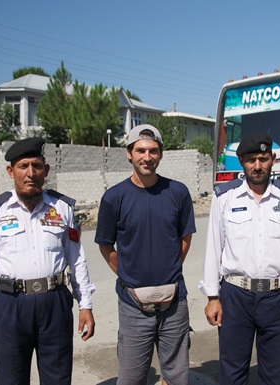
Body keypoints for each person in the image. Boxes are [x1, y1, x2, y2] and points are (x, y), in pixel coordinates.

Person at [0, 137, 96, 385]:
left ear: (46, 170)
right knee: (10, 379)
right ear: (10, 171)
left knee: (58, 378)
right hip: (10, 305)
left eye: (36, 166)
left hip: (54, 302)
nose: (30, 173)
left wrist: (85, 305)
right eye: (23, 166)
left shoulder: (62, 208)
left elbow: (77, 259)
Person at [199, 132, 280, 385]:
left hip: (278, 298)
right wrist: (212, 297)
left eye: (263, 158)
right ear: (242, 162)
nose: (258, 166)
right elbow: (214, 249)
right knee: (232, 372)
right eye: (251, 159)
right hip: (235, 297)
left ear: (272, 159)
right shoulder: (224, 198)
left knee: (274, 374)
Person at [95, 124, 196, 385]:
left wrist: (168, 269)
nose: (147, 157)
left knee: (177, 376)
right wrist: (128, 273)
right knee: (131, 377)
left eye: (153, 151)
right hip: (133, 306)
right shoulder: (113, 197)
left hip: (175, 303)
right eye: (140, 150)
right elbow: (106, 246)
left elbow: (185, 238)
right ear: (129, 154)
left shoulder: (178, 192)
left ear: (161, 155)